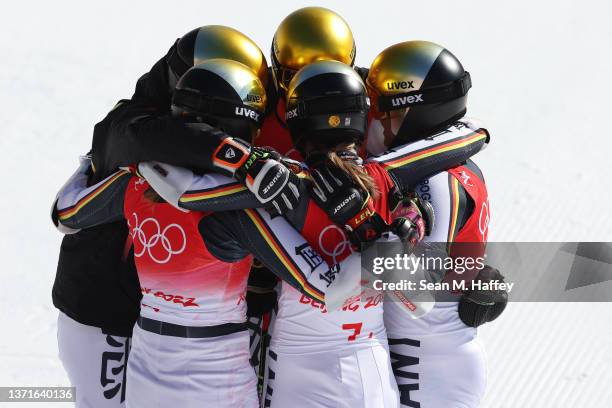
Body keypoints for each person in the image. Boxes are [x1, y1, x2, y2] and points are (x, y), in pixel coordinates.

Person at [141, 60, 489, 407]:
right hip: (373, 359)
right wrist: (395, 239)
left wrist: (242, 164)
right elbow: (471, 131)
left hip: (301, 365)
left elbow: (174, 183)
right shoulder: (389, 178)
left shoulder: (283, 183)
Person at [53, 60, 361, 408]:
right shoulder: (243, 211)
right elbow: (326, 288)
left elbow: (66, 213)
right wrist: (390, 245)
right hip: (217, 380)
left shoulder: (133, 182)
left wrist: (92, 162)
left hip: (145, 366)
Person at [363, 40, 507, 408]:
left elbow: (417, 296)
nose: (374, 125)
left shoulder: (437, 180)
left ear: (416, 113)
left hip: (428, 359)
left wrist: (370, 239)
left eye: (384, 114)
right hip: (418, 347)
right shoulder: (438, 163)